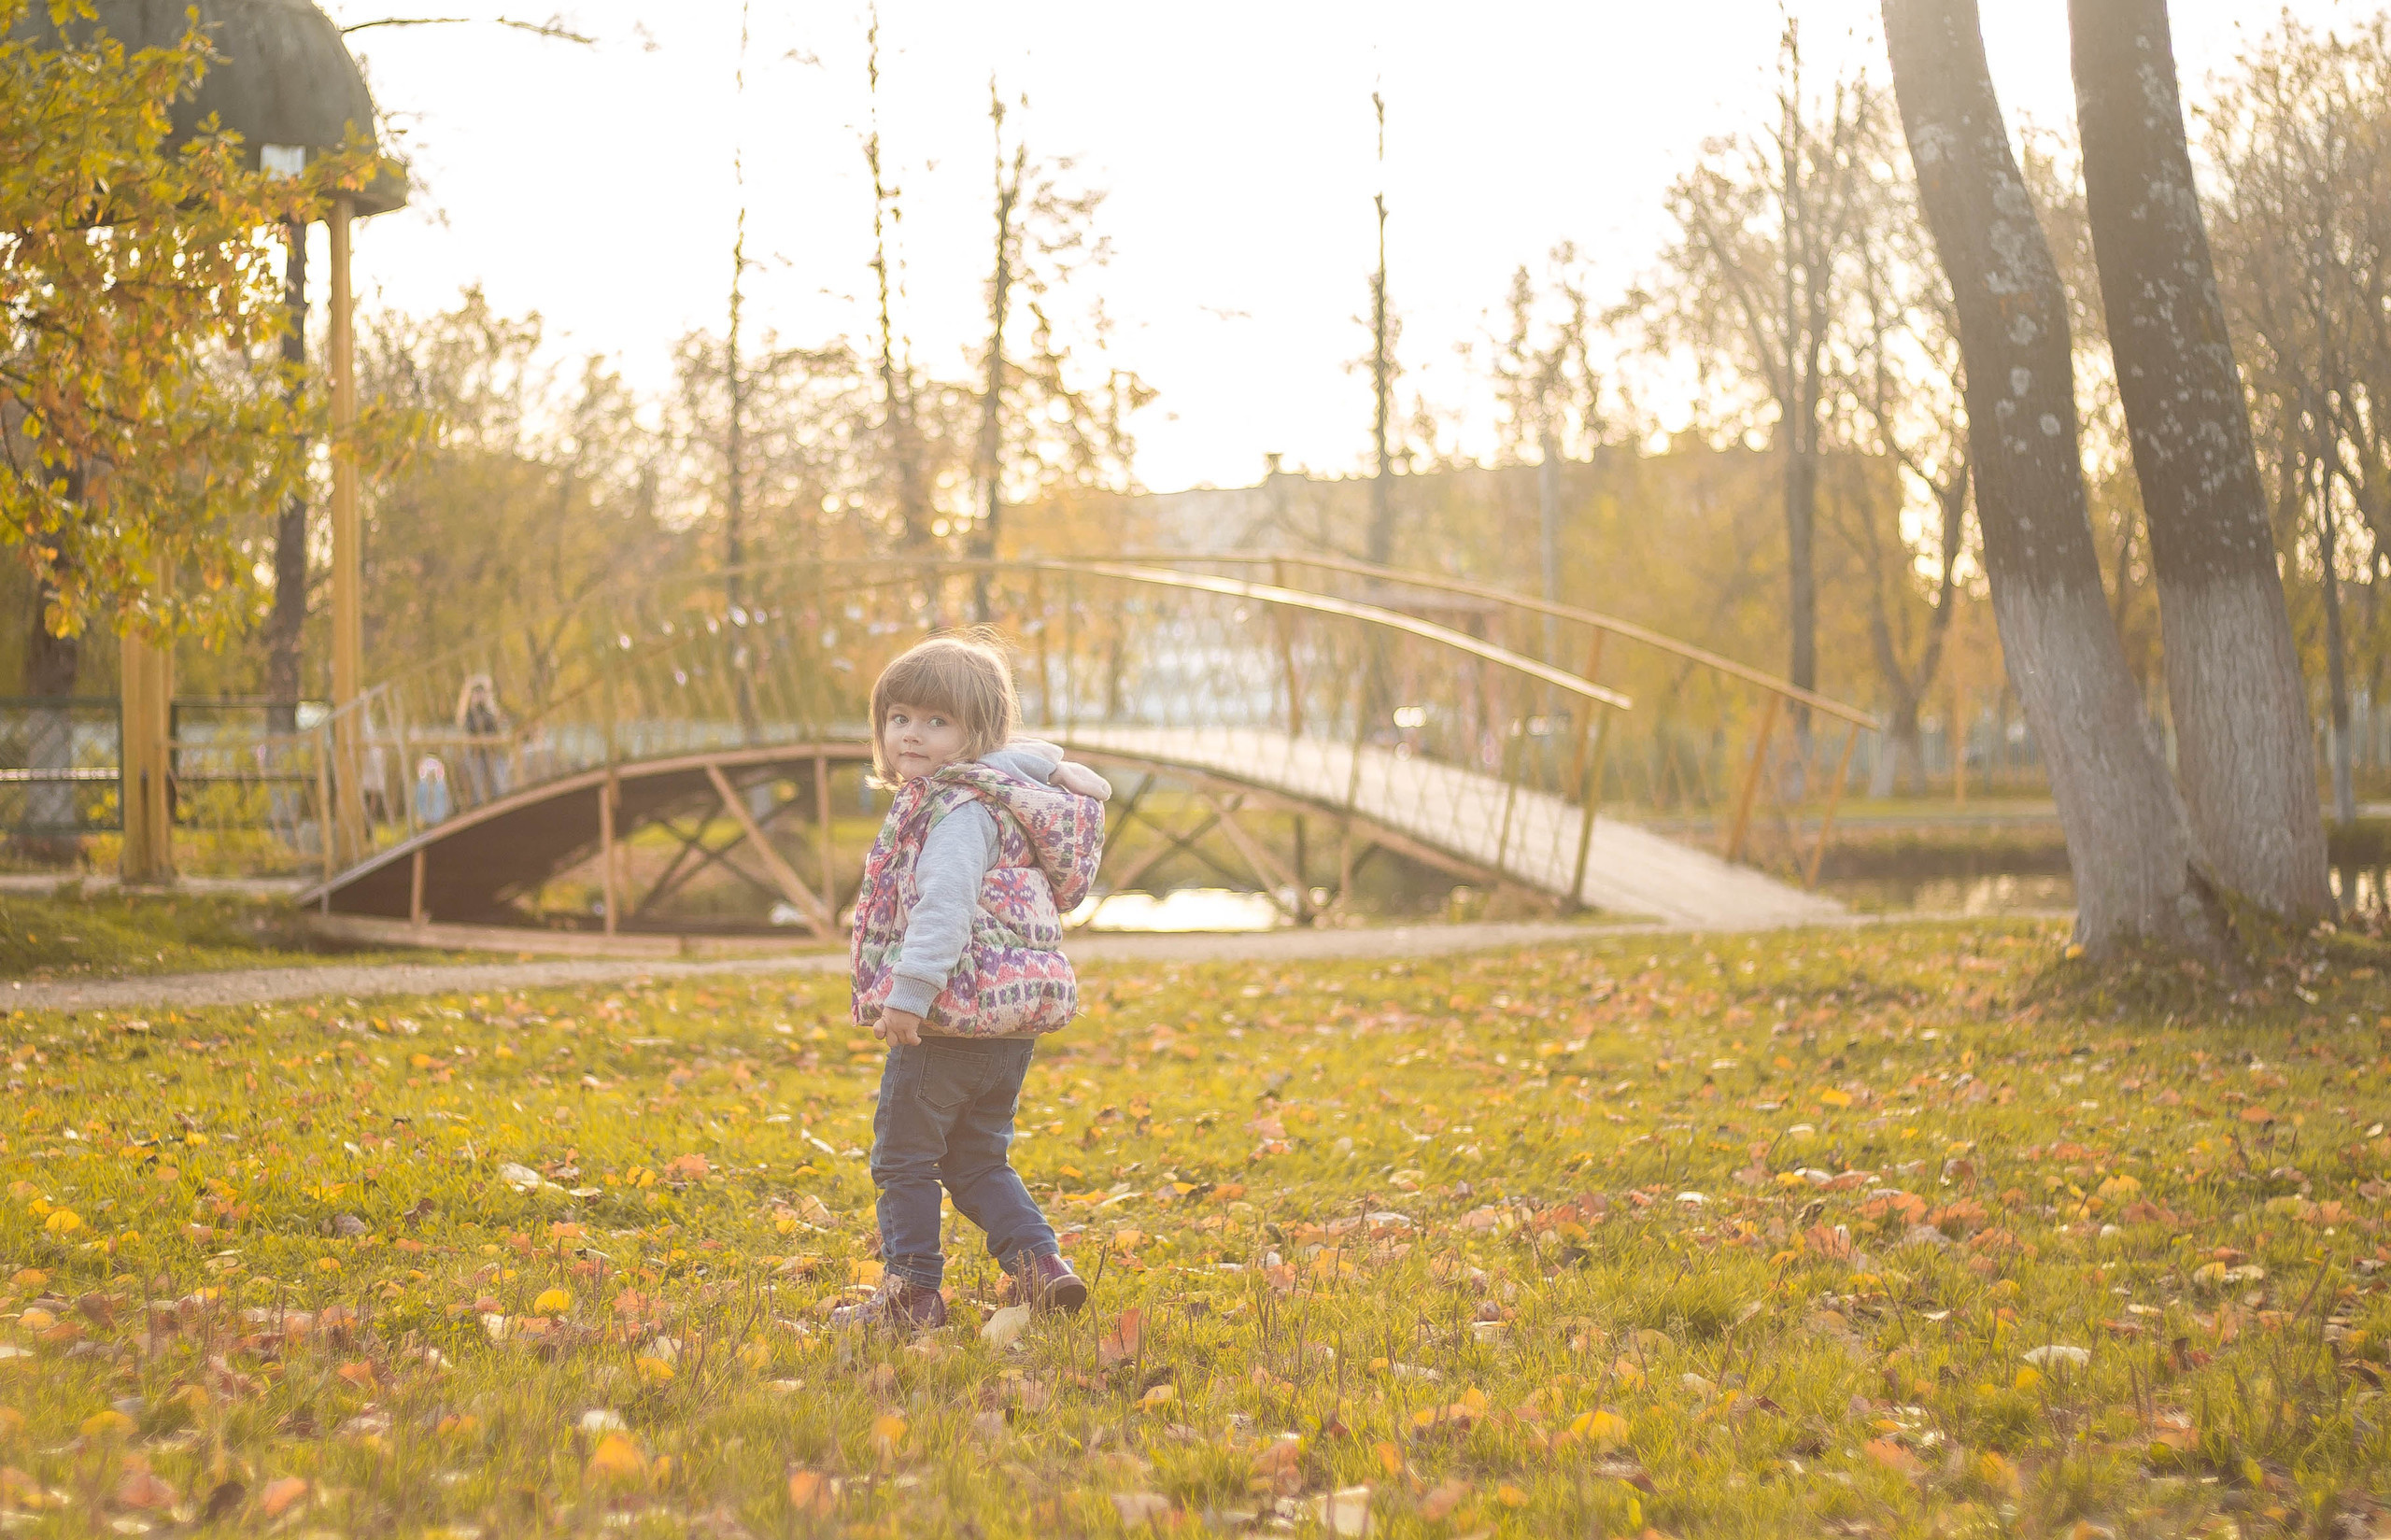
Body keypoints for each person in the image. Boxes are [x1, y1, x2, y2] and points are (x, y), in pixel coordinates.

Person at [833, 633, 1113, 1335]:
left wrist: (908, 996)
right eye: (899, 717)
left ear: (978, 733)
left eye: (936, 722)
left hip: (947, 1021)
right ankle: (1039, 1266)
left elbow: (945, 905)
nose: (911, 735)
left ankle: (911, 1293)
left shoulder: (958, 811)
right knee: (976, 1155)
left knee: (903, 1157)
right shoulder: (1012, 800)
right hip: (1007, 1026)